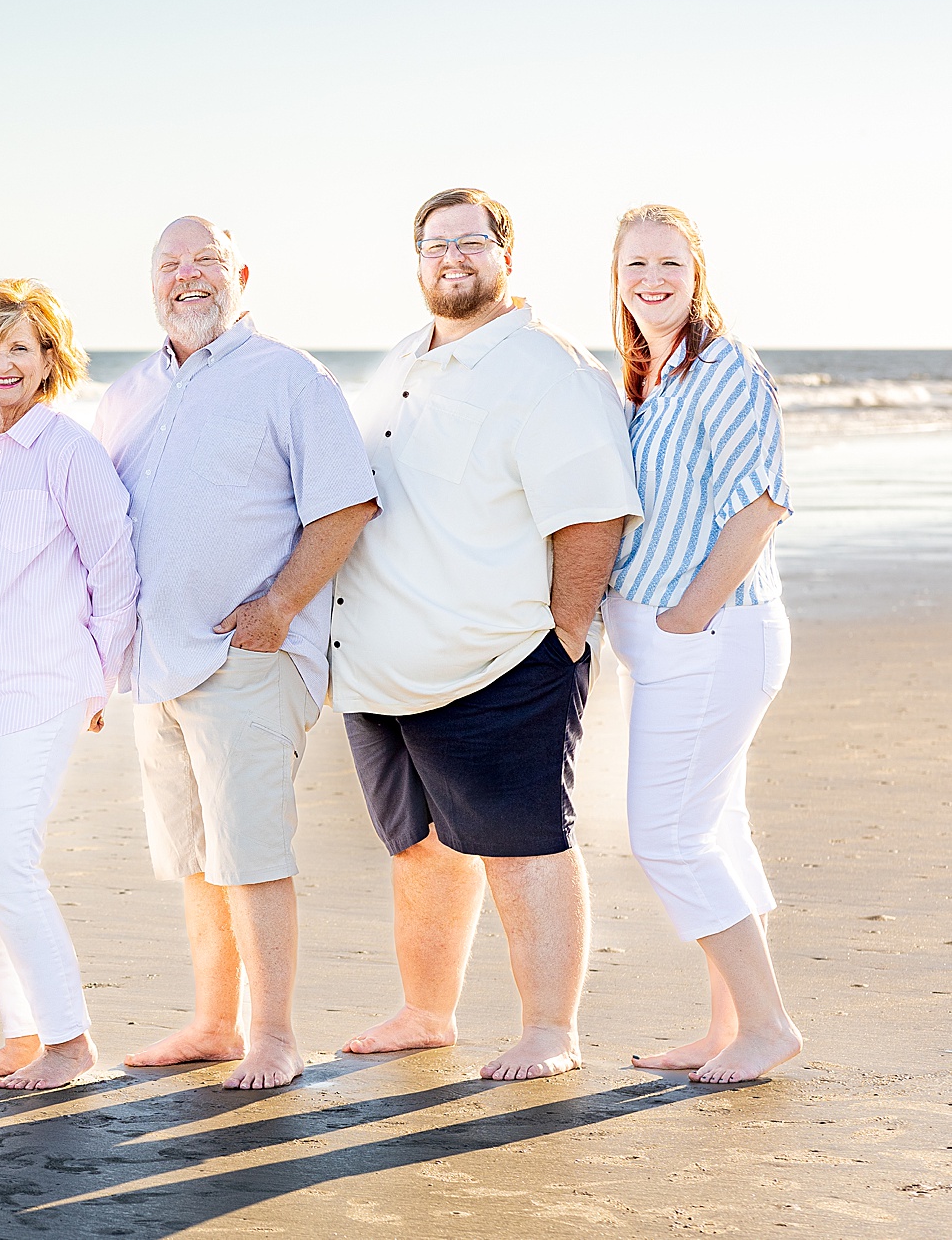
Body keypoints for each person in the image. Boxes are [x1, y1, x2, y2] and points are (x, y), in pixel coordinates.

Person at [330, 188, 643, 1081]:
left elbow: (591, 514)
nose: (451, 257)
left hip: (500, 657)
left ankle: (551, 1027)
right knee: (419, 848)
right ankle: (427, 1012)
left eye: (471, 241)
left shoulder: (545, 366)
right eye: (434, 243)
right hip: (383, 668)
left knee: (523, 844)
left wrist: (565, 638)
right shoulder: (402, 359)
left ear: (506, 253)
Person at [93, 217, 378, 1090]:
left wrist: (280, 606)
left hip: (246, 659)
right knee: (193, 855)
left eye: (206, 261)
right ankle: (215, 1023)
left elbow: (345, 504)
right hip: (155, 666)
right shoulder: (129, 390)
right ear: (151, 285)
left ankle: (275, 1033)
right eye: (170, 265)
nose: (188, 278)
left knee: (251, 853)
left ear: (240, 274)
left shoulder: (289, 377)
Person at [602, 204, 802, 1084]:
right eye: (636, 264)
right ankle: (728, 1027)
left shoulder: (724, 368)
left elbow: (762, 503)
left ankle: (767, 1024)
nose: (652, 278)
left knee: (669, 836)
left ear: (697, 271)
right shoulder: (656, 377)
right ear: (618, 277)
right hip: (685, 642)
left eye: (668, 263)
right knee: (715, 828)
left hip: (713, 636)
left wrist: (686, 614)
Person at [0, 278, 137, 1091]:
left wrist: (98, 678)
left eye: (20, 346)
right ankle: (22, 1033)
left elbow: (115, 568)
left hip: (41, 684)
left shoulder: (69, 450)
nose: (1, 361)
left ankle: (70, 1039)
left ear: (51, 358)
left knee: (6, 857)